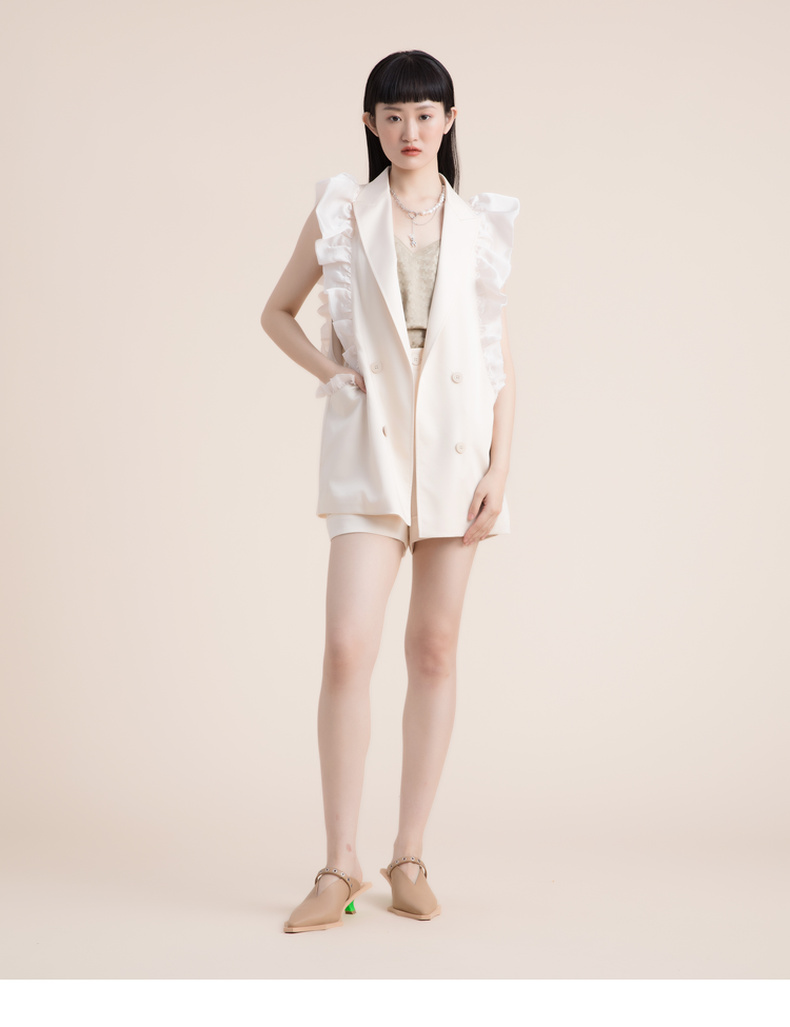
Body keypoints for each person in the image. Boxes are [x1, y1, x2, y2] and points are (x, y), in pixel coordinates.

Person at [260, 49, 519, 933]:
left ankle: (408, 855)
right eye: (394, 113)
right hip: (369, 451)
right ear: (370, 123)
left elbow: (497, 360)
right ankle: (339, 862)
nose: (411, 129)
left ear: (450, 121)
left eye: (426, 113)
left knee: (435, 649)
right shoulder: (342, 212)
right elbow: (275, 312)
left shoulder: (480, 227)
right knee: (346, 649)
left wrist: (499, 469)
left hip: (456, 456)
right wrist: (334, 372)